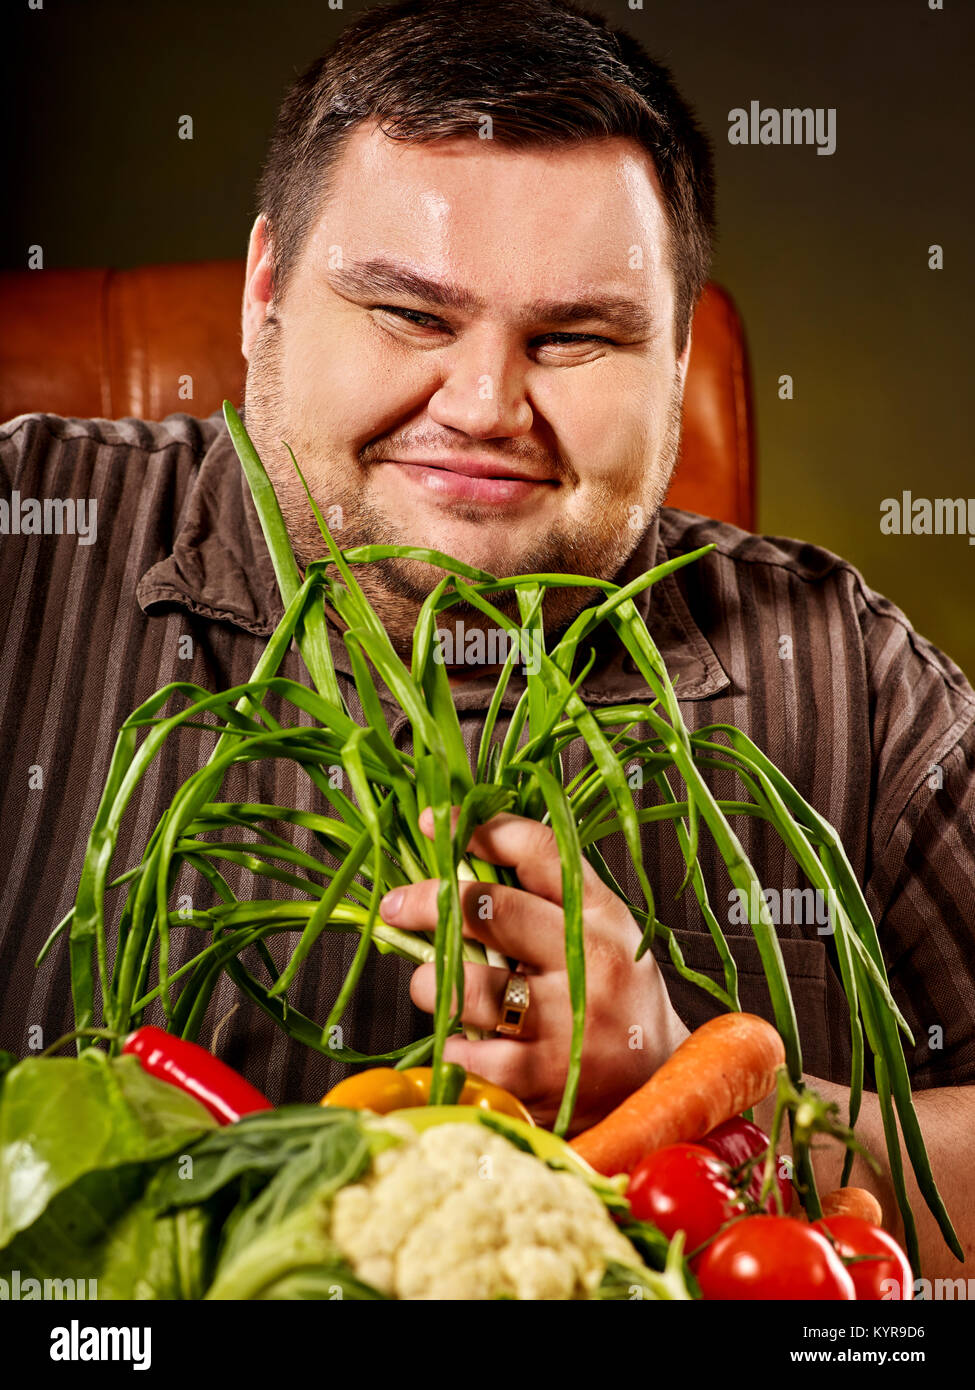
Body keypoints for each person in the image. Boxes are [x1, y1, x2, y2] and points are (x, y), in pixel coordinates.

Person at [1, 0, 972, 1279]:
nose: (482, 407)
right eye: (409, 314)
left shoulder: (848, 672)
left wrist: (702, 1088)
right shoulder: (26, 545)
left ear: (678, 363)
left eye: (576, 338)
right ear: (265, 295)